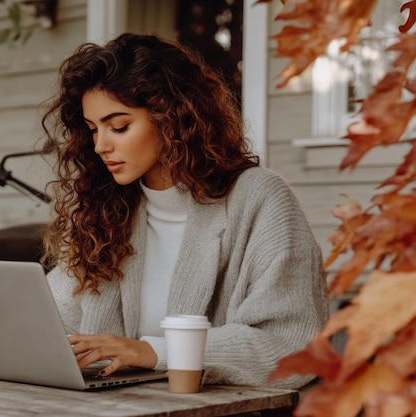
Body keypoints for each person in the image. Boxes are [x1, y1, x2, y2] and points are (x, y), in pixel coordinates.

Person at [40, 32, 328, 390]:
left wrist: (150, 351)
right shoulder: (104, 211)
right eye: (92, 129)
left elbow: (289, 345)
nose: (100, 145)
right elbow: (54, 322)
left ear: (171, 117)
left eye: (119, 127)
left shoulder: (258, 198)